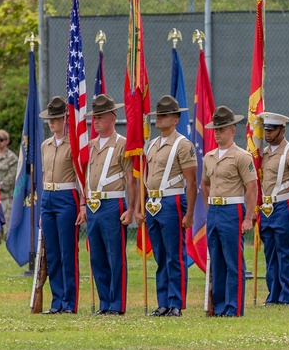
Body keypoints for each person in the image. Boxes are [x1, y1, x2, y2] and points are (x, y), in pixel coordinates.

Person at [135, 95, 198, 317]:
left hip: (172, 200)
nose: (158, 119)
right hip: (153, 202)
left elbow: (191, 182)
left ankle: (175, 303)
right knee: (160, 255)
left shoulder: (183, 144)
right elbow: (145, 177)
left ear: (175, 119)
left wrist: (190, 213)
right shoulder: (151, 144)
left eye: (163, 115)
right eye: (157, 115)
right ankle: (163, 302)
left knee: (174, 254)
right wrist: (140, 206)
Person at [202, 106, 257, 316]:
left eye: (222, 129)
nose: (217, 133)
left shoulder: (242, 156)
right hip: (215, 210)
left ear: (232, 130)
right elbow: (204, 184)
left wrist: (248, 218)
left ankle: (233, 307)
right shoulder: (209, 157)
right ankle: (220, 306)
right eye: (216, 129)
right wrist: (210, 207)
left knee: (233, 261)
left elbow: (251, 188)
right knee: (217, 261)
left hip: (233, 209)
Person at [85, 94, 136, 315]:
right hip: (93, 204)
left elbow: (131, 179)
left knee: (115, 256)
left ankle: (117, 304)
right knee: (96, 256)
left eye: (100, 116)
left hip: (112, 203)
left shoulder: (122, 144)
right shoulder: (90, 145)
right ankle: (104, 301)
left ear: (113, 117)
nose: (95, 121)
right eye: (94, 117)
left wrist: (131, 209)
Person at [258, 112, 289, 305]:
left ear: (282, 130)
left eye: (272, 130)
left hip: (284, 205)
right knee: (270, 254)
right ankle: (273, 295)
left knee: (285, 253)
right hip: (266, 207)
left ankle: (287, 295)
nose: (267, 133)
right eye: (266, 129)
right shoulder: (262, 153)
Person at [38, 97, 81, 314]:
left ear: (65, 118)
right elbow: (45, 174)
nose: (51, 123)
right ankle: (56, 301)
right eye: (49, 119)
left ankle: (69, 302)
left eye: (55, 118)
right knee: (52, 252)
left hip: (67, 196)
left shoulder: (73, 144)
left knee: (67, 251)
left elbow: (80, 176)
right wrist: (42, 207)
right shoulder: (45, 145)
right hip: (48, 197)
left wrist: (82, 205)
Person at [0, 128, 19, 250]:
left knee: (8, 226)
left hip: (6, 197)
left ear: (7, 141)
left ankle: (10, 249)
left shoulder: (12, 158)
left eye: (1, 139)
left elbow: (12, 176)